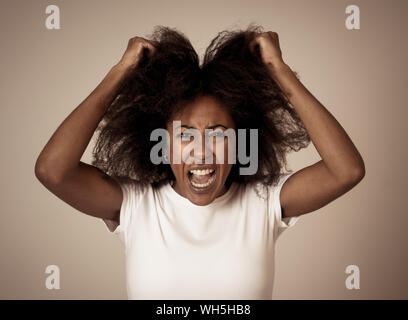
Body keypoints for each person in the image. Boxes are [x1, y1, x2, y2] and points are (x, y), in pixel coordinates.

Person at [34, 25, 365, 299]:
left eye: (219, 134)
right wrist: (119, 73)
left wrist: (278, 70)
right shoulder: (137, 204)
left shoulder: (263, 201)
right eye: (185, 134)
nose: (202, 150)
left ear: (241, 141)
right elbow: (53, 170)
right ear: (161, 142)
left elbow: (346, 170)